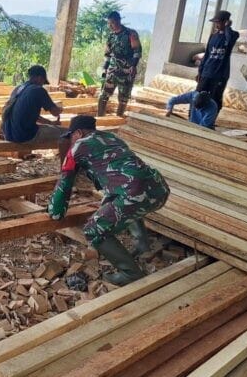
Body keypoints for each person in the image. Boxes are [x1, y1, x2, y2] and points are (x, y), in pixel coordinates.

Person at [48, 115, 170, 286]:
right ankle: (143, 247)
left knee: (93, 230)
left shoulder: (77, 147)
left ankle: (131, 274)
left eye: (71, 136)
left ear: (78, 132)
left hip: (133, 194)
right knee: (129, 203)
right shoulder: (113, 138)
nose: (70, 141)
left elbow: (64, 183)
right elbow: (123, 176)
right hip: (160, 189)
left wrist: (55, 212)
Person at [1, 65, 64, 144]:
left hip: (8, 135)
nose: (42, 85)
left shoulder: (18, 89)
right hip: (25, 136)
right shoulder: (38, 90)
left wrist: (51, 123)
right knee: (68, 134)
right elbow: (55, 112)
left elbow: (30, 115)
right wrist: (60, 109)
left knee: (51, 130)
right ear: (40, 78)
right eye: (43, 82)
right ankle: (68, 156)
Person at [98, 11, 142, 117]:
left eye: (112, 23)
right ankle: (99, 118)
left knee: (123, 98)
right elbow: (107, 54)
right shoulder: (111, 36)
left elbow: (137, 51)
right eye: (109, 23)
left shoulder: (131, 34)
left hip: (126, 70)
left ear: (118, 21)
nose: (110, 26)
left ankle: (118, 118)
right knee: (103, 95)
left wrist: (133, 66)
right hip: (113, 70)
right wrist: (105, 68)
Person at [197, 10, 239, 112]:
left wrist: (227, 27)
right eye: (215, 22)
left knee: (215, 99)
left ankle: (210, 120)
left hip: (220, 75)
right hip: (207, 72)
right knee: (197, 96)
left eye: (219, 22)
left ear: (226, 22)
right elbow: (207, 54)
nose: (216, 24)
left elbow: (229, 40)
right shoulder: (213, 36)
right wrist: (200, 71)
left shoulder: (233, 35)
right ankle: (193, 117)